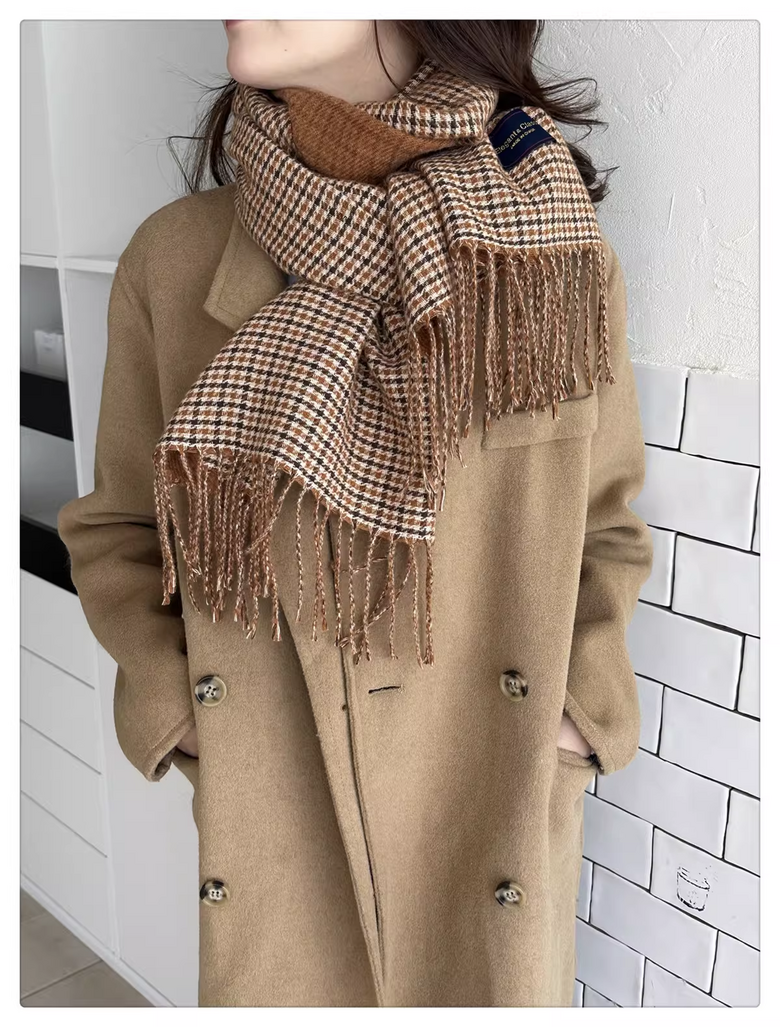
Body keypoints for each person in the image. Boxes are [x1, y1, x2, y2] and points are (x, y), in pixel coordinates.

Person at [57, 19, 653, 1008]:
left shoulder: (545, 254)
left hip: (489, 807)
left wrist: (581, 719)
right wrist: (185, 716)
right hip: (283, 816)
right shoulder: (174, 258)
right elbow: (120, 529)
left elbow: (605, 522)